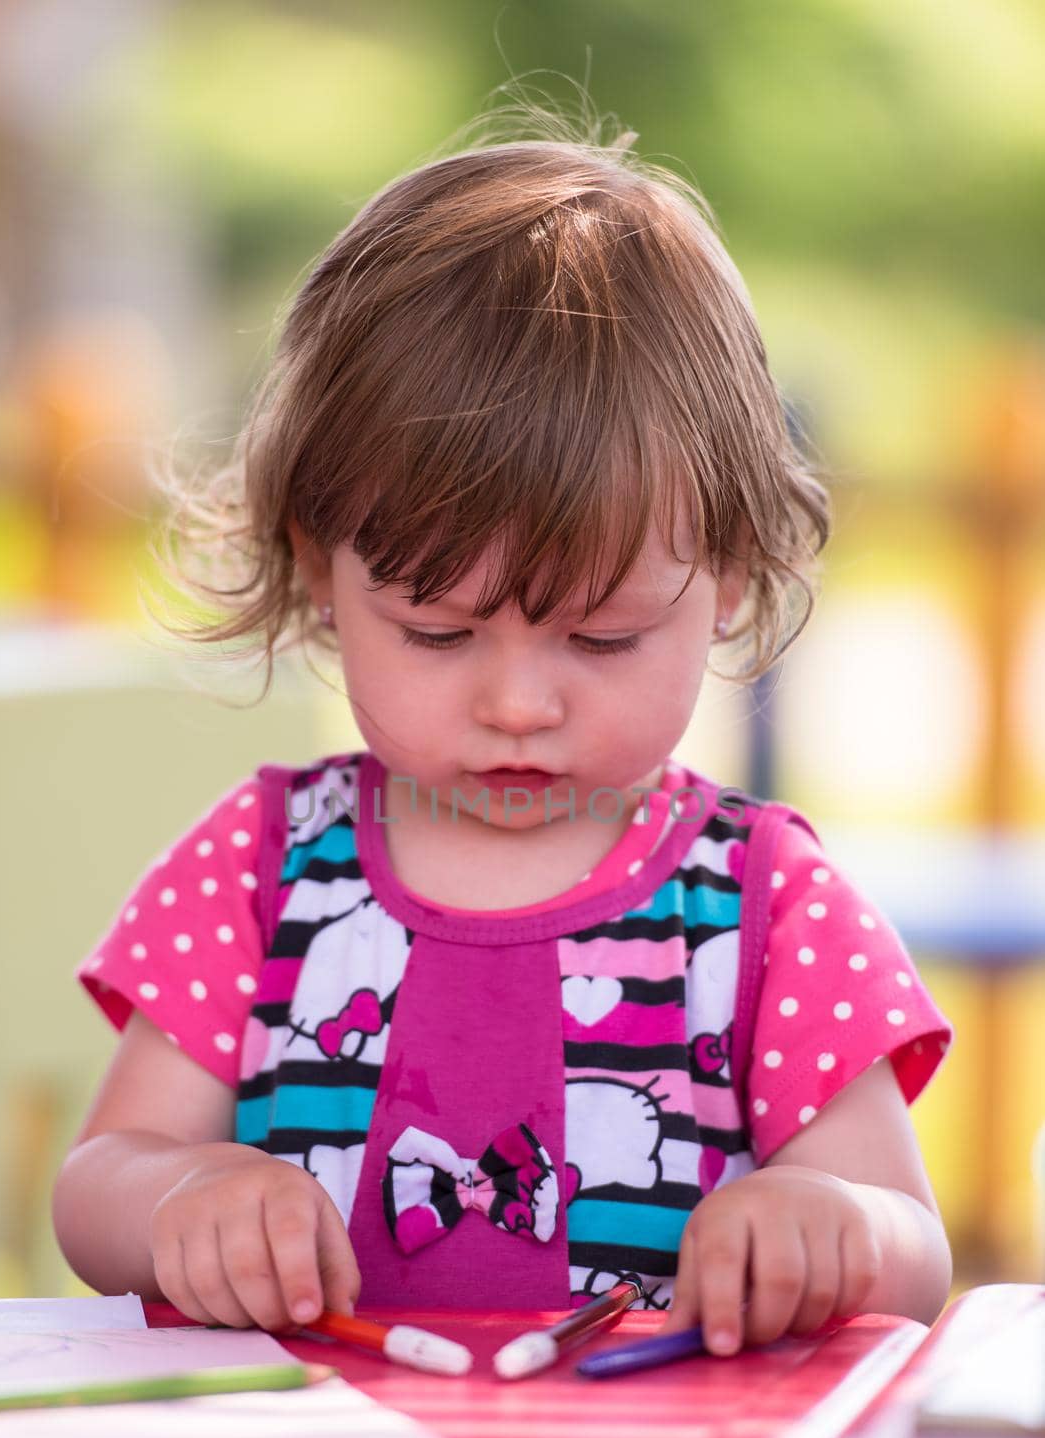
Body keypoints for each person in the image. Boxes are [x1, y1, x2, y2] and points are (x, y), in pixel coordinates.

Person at [53, 112, 954, 1358]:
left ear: (732, 577)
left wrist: (828, 1220)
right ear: (322, 568)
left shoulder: (765, 901)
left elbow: (912, 1242)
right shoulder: (261, 863)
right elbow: (98, 1181)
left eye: (602, 640)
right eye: (437, 633)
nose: (518, 704)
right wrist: (177, 1198)